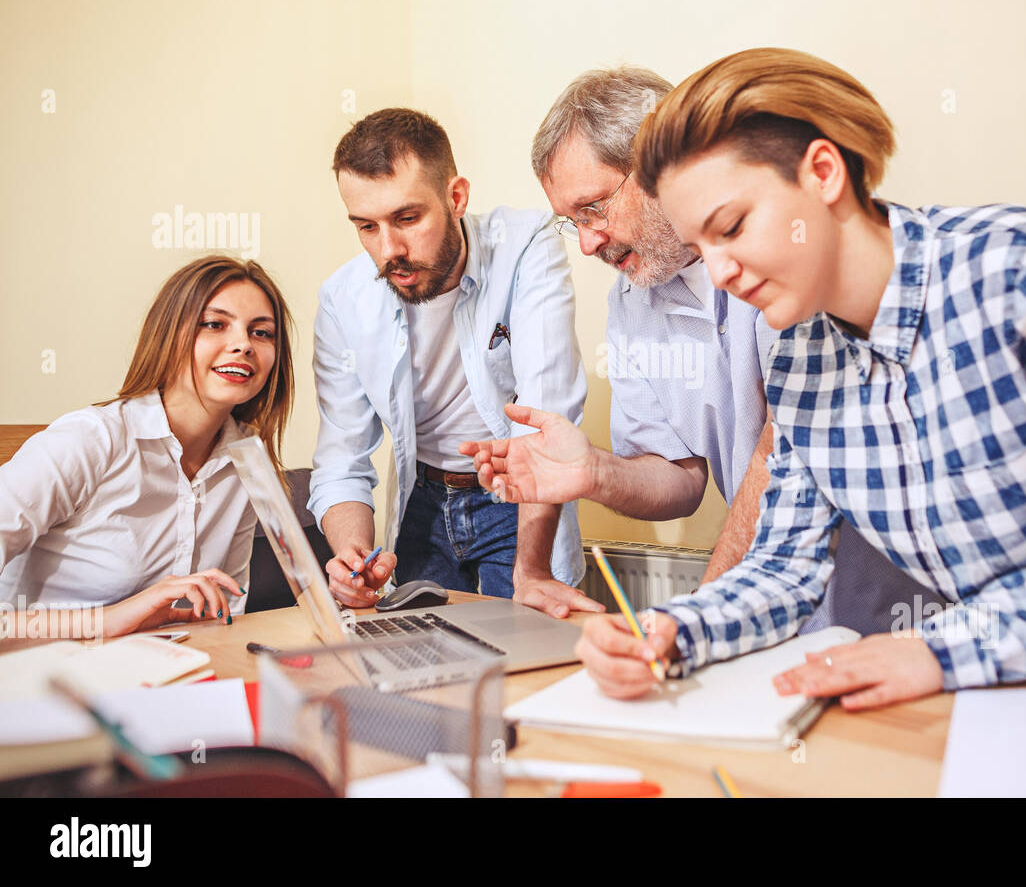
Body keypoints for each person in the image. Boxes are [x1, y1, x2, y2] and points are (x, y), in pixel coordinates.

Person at [575, 47, 1026, 711]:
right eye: (702, 246)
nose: (722, 275)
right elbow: (785, 567)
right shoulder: (798, 361)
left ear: (823, 173)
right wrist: (674, 630)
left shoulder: (1022, 276)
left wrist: (939, 650)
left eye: (731, 227)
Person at [462, 68, 934, 635]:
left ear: (659, 168)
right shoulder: (635, 303)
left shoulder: (803, 273)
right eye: (572, 223)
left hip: (882, 598)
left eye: (594, 209)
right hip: (774, 592)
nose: (587, 242)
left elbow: (777, 460)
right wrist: (593, 471)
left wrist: (693, 622)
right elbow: (687, 479)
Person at [309, 108, 601, 618]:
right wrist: (351, 560)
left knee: (525, 662)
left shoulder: (526, 244)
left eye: (407, 218)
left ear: (456, 197)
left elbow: (547, 415)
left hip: (516, 496)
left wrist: (530, 571)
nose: (389, 251)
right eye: (366, 227)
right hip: (421, 506)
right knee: (433, 675)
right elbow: (342, 458)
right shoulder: (342, 299)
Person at [0, 256, 295, 639]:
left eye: (262, 333)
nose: (242, 345)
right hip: (39, 678)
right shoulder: (90, 441)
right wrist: (104, 622)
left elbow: (222, 619)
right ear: (169, 335)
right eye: (214, 324)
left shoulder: (249, 465)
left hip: (164, 676)